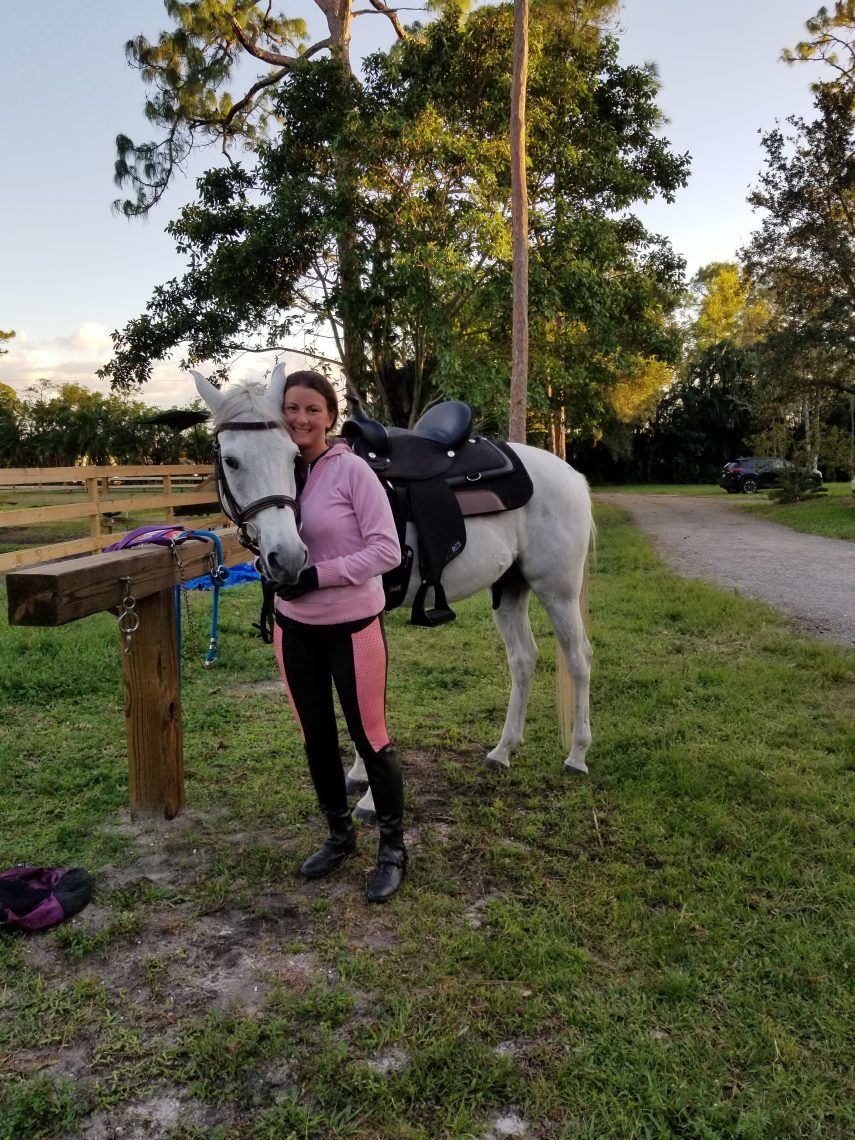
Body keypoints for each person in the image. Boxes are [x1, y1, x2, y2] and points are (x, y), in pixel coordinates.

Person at [272, 370, 406, 903]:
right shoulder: (278, 470)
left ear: (329, 416)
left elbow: (387, 550)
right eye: (291, 409)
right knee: (317, 738)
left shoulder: (351, 472)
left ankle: (393, 848)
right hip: (293, 628)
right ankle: (339, 834)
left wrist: (319, 575)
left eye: (312, 409)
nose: (300, 419)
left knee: (370, 738)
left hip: (352, 626)